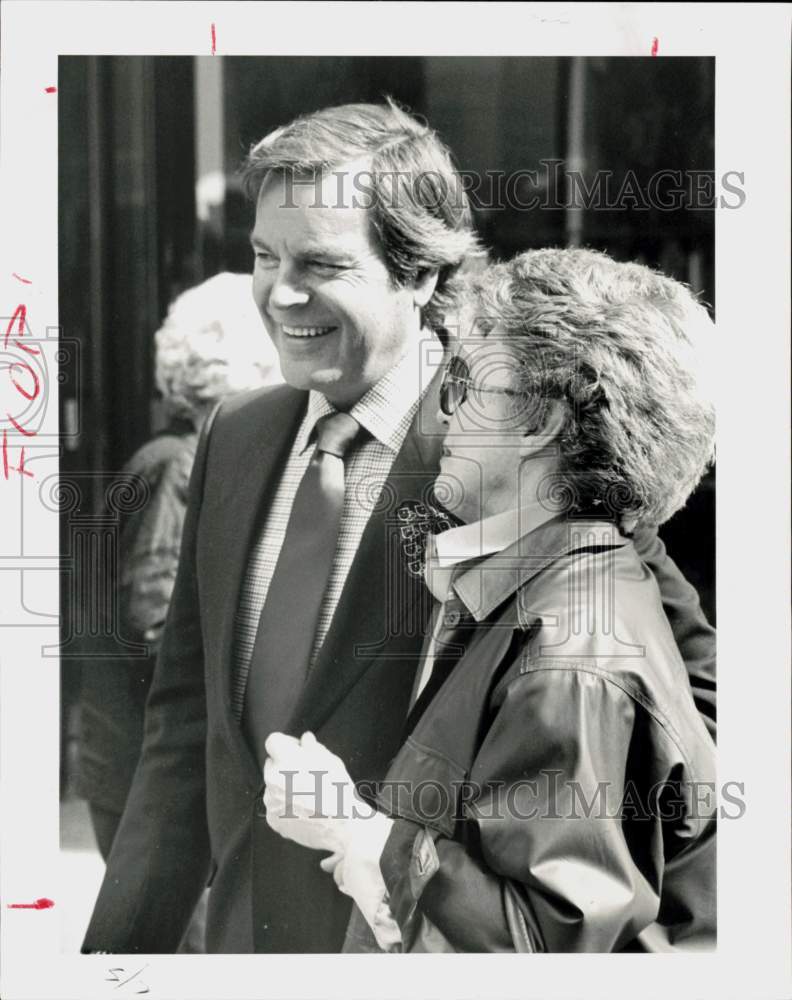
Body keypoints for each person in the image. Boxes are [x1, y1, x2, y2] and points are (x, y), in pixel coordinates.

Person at [83, 102, 716, 955]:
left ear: (420, 273)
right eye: (264, 257)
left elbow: (679, 703)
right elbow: (182, 738)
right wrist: (115, 960)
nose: (281, 293)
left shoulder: (514, 447)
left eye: (321, 263)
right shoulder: (234, 432)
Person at [262, 247, 718, 952]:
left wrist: (348, 826)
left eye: (467, 383)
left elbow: (535, 949)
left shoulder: (567, 652)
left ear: (540, 423)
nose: (444, 415)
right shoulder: (558, 593)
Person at [77, 273, 281, 949]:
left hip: (138, 768)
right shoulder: (177, 466)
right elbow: (152, 617)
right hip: (149, 780)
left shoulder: (177, 458)